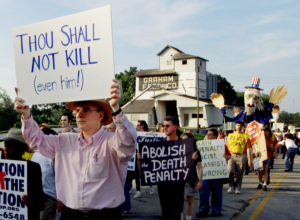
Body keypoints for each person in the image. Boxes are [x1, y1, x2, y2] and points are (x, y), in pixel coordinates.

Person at [15, 79, 137, 220]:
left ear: (101, 115)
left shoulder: (112, 141)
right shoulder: (64, 140)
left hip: (105, 216)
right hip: (70, 215)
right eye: (77, 111)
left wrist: (116, 108)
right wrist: (26, 115)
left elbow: (128, 142)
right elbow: (36, 140)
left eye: (86, 110)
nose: (79, 114)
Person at [3, 128, 46, 220]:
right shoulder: (1, 167)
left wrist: (32, 202)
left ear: (20, 148)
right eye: (5, 145)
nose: (6, 149)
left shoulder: (32, 168)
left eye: (11, 146)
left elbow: (41, 203)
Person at [196, 129, 231, 218]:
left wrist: (225, 157)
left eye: (210, 135)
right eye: (207, 134)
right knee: (204, 192)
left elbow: (229, 156)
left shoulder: (221, 145)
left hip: (217, 173)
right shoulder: (202, 146)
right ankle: (203, 210)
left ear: (215, 136)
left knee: (217, 193)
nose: (208, 136)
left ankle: (216, 210)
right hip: (205, 174)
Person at [157, 115, 184, 220]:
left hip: (177, 183)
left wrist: (193, 158)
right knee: (165, 210)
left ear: (175, 127)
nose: (164, 127)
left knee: (175, 211)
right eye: (163, 125)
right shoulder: (159, 144)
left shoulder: (184, 144)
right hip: (162, 182)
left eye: (168, 125)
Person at [227, 121, 252, 194]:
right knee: (230, 171)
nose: (239, 126)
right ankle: (231, 186)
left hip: (241, 155)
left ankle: (238, 187)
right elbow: (227, 146)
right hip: (231, 154)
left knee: (240, 172)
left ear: (243, 127)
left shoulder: (246, 136)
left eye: (240, 125)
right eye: (237, 125)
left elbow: (248, 148)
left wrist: (249, 159)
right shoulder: (230, 135)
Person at [181, 133, 202, 220]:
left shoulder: (196, 152)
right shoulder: (177, 150)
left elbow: (200, 167)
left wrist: (200, 181)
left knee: (190, 201)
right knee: (179, 202)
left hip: (190, 179)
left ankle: (188, 218)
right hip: (179, 179)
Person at [135, 120, 150, 197]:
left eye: (139, 124)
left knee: (148, 170)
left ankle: (150, 185)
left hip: (147, 154)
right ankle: (138, 190)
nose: (137, 126)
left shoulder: (147, 133)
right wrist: (137, 152)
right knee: (137, 172)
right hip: (138, 154)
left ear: (143, 125)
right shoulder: (136, 134)